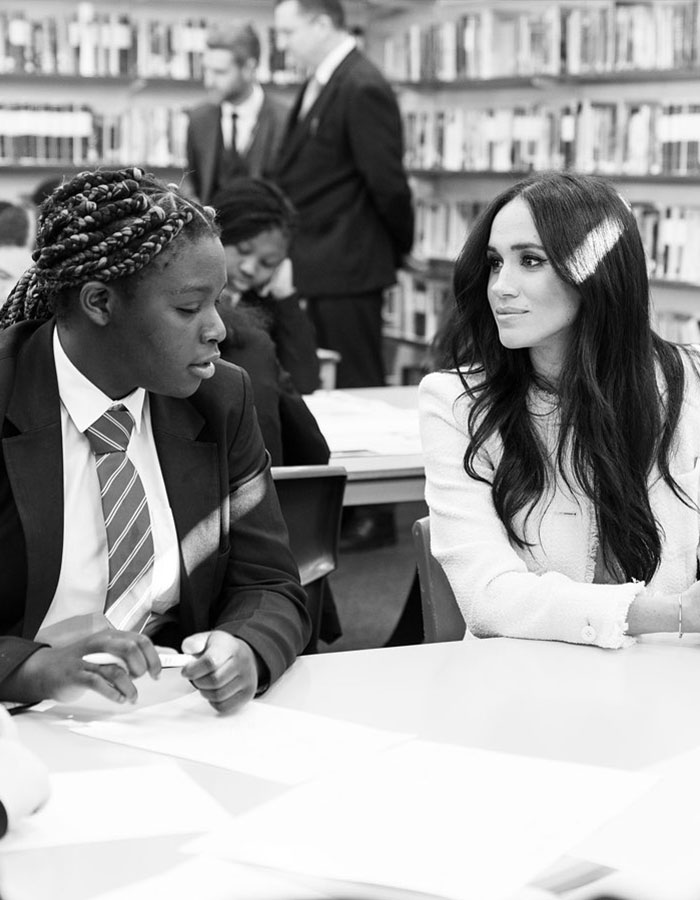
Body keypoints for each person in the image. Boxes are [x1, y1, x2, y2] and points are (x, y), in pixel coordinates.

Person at [0, 166, 311, 712]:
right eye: (189, 309)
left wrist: (246, 646)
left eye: (217, 302)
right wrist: (33, 669)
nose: (217, 329)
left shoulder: (220, 398)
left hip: (168, 716)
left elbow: (271, 584)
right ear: (99, 302)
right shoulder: (8, 393)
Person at [419, 170, 700, 648]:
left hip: (666, 679)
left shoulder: (686, 382)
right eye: (493, 263)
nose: (500, 287)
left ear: (595, 273)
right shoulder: (456, 402)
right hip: (524, 684)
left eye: (530, 261)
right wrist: (674, 614)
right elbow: (489, 598)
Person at [273, 0, 414, 551]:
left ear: (321, 22)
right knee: (337, 392)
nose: (283, 44)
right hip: (325, 262)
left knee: (358, 385)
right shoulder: (323, 83)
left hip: (351, 264)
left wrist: (394, 247)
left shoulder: (362, 86)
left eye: (288, 31)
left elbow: (388, 183)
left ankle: (374, 518)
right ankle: (347, 511)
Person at [213, 176, 320, 395]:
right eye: (242, 250)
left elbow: (304, 383)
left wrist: (286, 296)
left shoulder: (266, 304)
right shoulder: (188, 297)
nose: (249, 268)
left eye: (268, 263)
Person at [186, 22, 288, 205]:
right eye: (206, 70)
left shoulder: (286, 121)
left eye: (220, 72)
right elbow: (197, 185)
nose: (209, 81)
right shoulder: (198, 120)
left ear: (249, 69)